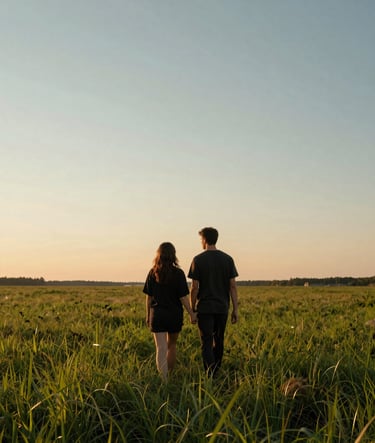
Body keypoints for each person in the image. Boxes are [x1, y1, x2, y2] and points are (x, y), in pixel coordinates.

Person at [188, 227, 239, 376]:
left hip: (204, 308)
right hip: (222, 307)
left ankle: (210, 374)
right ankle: (216, 370)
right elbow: (233, 286)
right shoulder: (228, 259)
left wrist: (193, 308)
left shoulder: (198, 260)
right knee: (219, 339)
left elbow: (194, 287)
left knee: (206, 342)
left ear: (204, 240)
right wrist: (235, 309)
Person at [143, 242, 197, 381]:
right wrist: (192, 314)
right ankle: (170, 374)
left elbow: (149, 297)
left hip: (158, 314)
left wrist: (148, 316)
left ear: (158, 255)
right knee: (171, 346)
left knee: (160, 348)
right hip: (174, 315)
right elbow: (183, 297)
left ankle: (164, 380)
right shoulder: (178, 273)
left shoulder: (153, 272)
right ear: (173, 255)